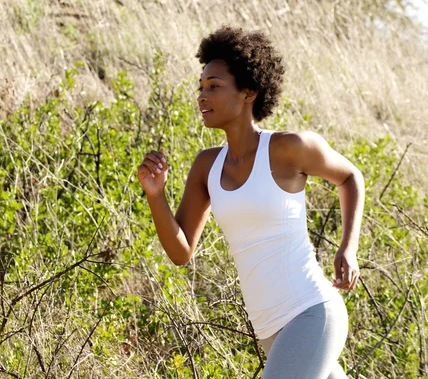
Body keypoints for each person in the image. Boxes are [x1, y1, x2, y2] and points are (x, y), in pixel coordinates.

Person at [137, 26, 364, 378]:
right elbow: (181, 252)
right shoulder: (206, 166)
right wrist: (156, 196)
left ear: (248, 92)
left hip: (311, 311)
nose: (202, 96)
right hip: (270, 331)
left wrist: (347, 249)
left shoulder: (290, 148)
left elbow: (350, 178)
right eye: (200, 87)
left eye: (214, 86)